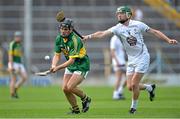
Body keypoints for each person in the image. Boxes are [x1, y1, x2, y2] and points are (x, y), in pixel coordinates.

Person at [83, 6, 178, 114]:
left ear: (128, 15)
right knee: (129, 87)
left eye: (121, 13)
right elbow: (102, 33)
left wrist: (168, 40)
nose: (119, 15)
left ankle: (133, 108)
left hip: (143, 57)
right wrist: (88, 36)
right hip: (131, 60)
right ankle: (149, 88)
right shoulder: (117, 28)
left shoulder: (138, 25)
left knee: (134, 84)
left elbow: (155, 32)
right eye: (118, 13)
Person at [50, 18, 91, 114]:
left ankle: (85, 99)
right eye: (62, 28)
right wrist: (53, 65)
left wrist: (58, 68)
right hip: (70, 65)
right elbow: (57, 55)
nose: (63, 31)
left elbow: (72, 60)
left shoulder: (75, 40)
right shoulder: (59, 38)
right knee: (65, 88)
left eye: (65, 29)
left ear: (71, 30)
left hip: (81, 65)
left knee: (70, 87)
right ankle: (75, 109)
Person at [8, 31, 28, 98]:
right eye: (17, 37)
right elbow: (10, 55)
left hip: (19, 63)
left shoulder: (20, 44)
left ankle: (15, 89)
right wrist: (11, 66)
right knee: (13, 79)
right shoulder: (12, 44)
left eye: (19, 37)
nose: (18, 38)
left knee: (24, 77)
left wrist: (21, 64)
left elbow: (20, 55)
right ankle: (12, 94)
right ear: (15, 37)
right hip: (13, 63)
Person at [110, 35, 126, 100]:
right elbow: (112, 52)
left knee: (129, 77)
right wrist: (117, 62)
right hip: (117, 62)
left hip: (122, 61)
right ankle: (115, 94)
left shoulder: (121, 38)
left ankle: (120, 91)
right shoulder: (114, 38)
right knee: (119, 78)